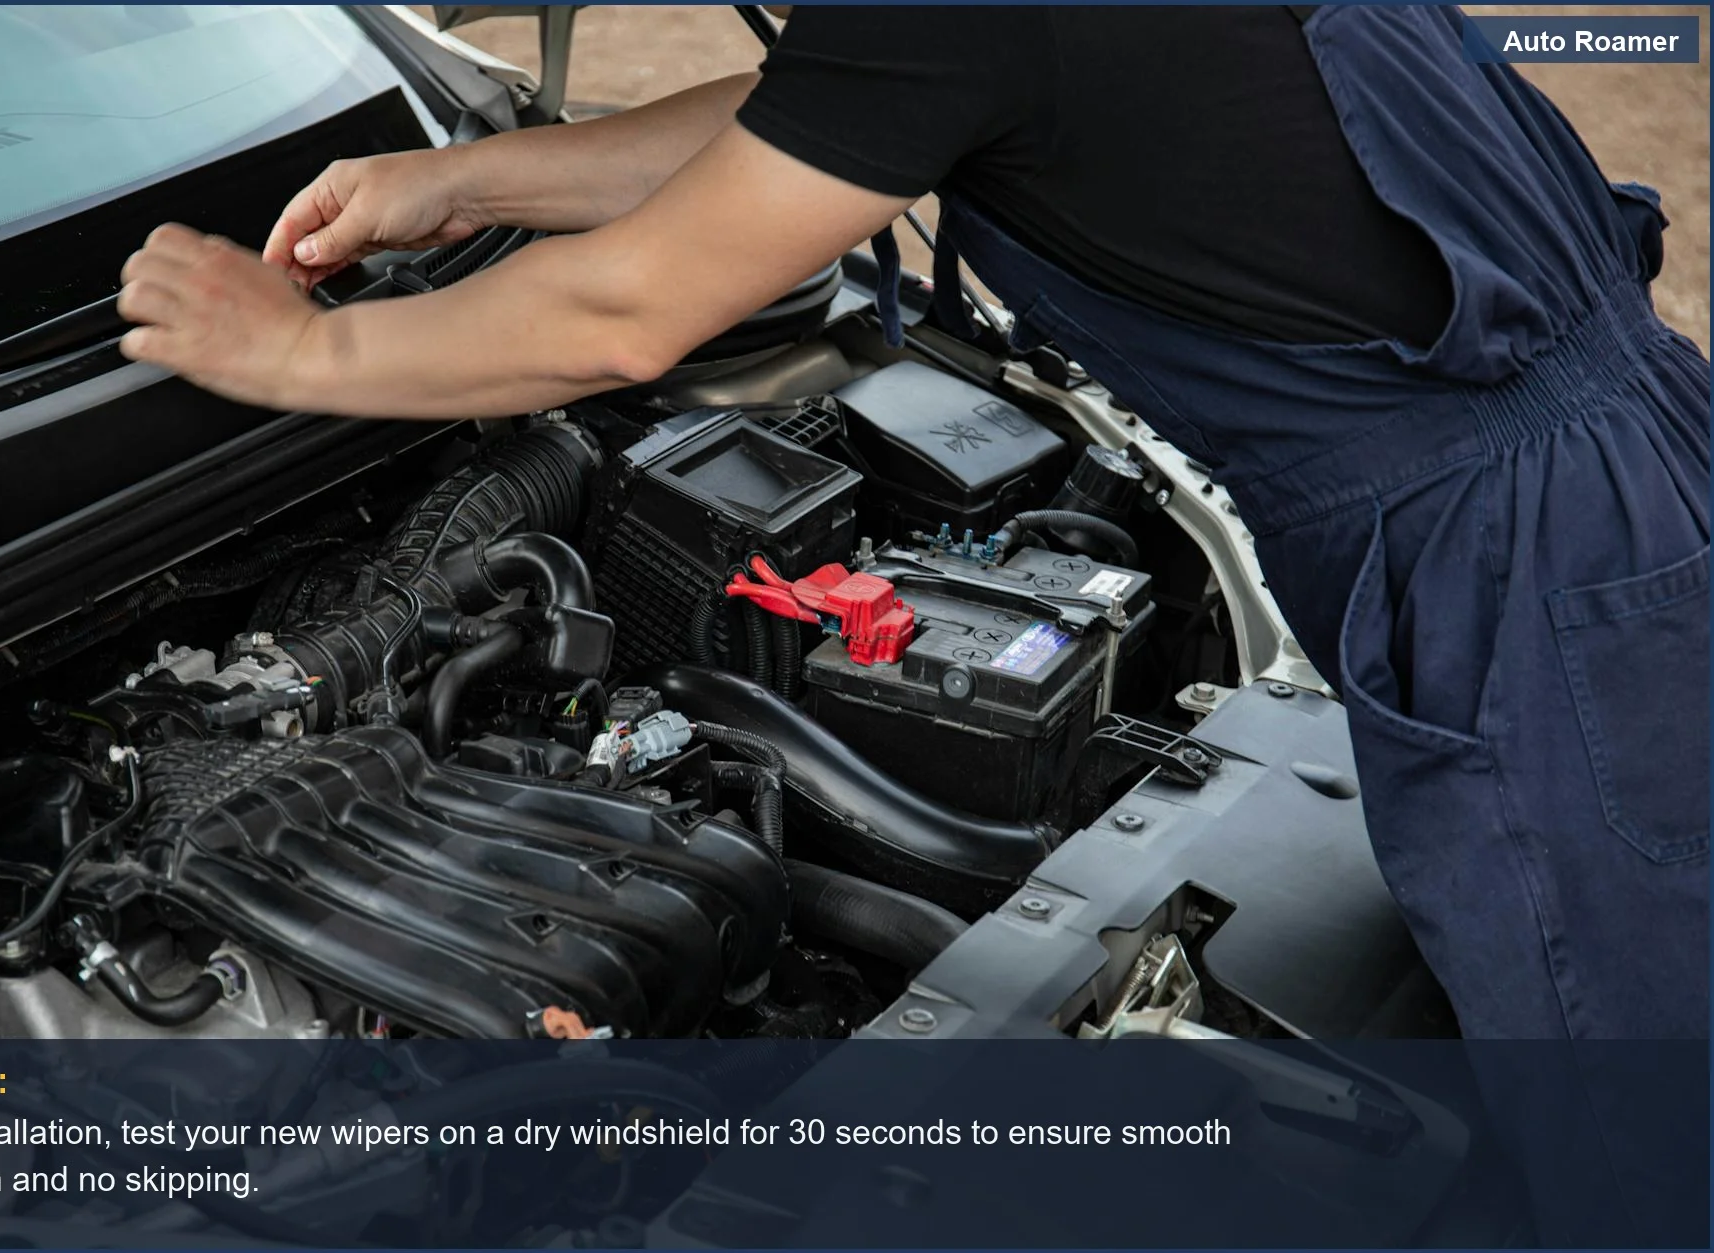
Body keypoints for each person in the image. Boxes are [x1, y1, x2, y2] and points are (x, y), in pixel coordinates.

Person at [116, 7, 1708, 1050]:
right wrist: (464, 187)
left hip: (1521, 559)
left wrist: (298, 354)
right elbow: (834, 113)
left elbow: (624, 321)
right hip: (1616, 472)